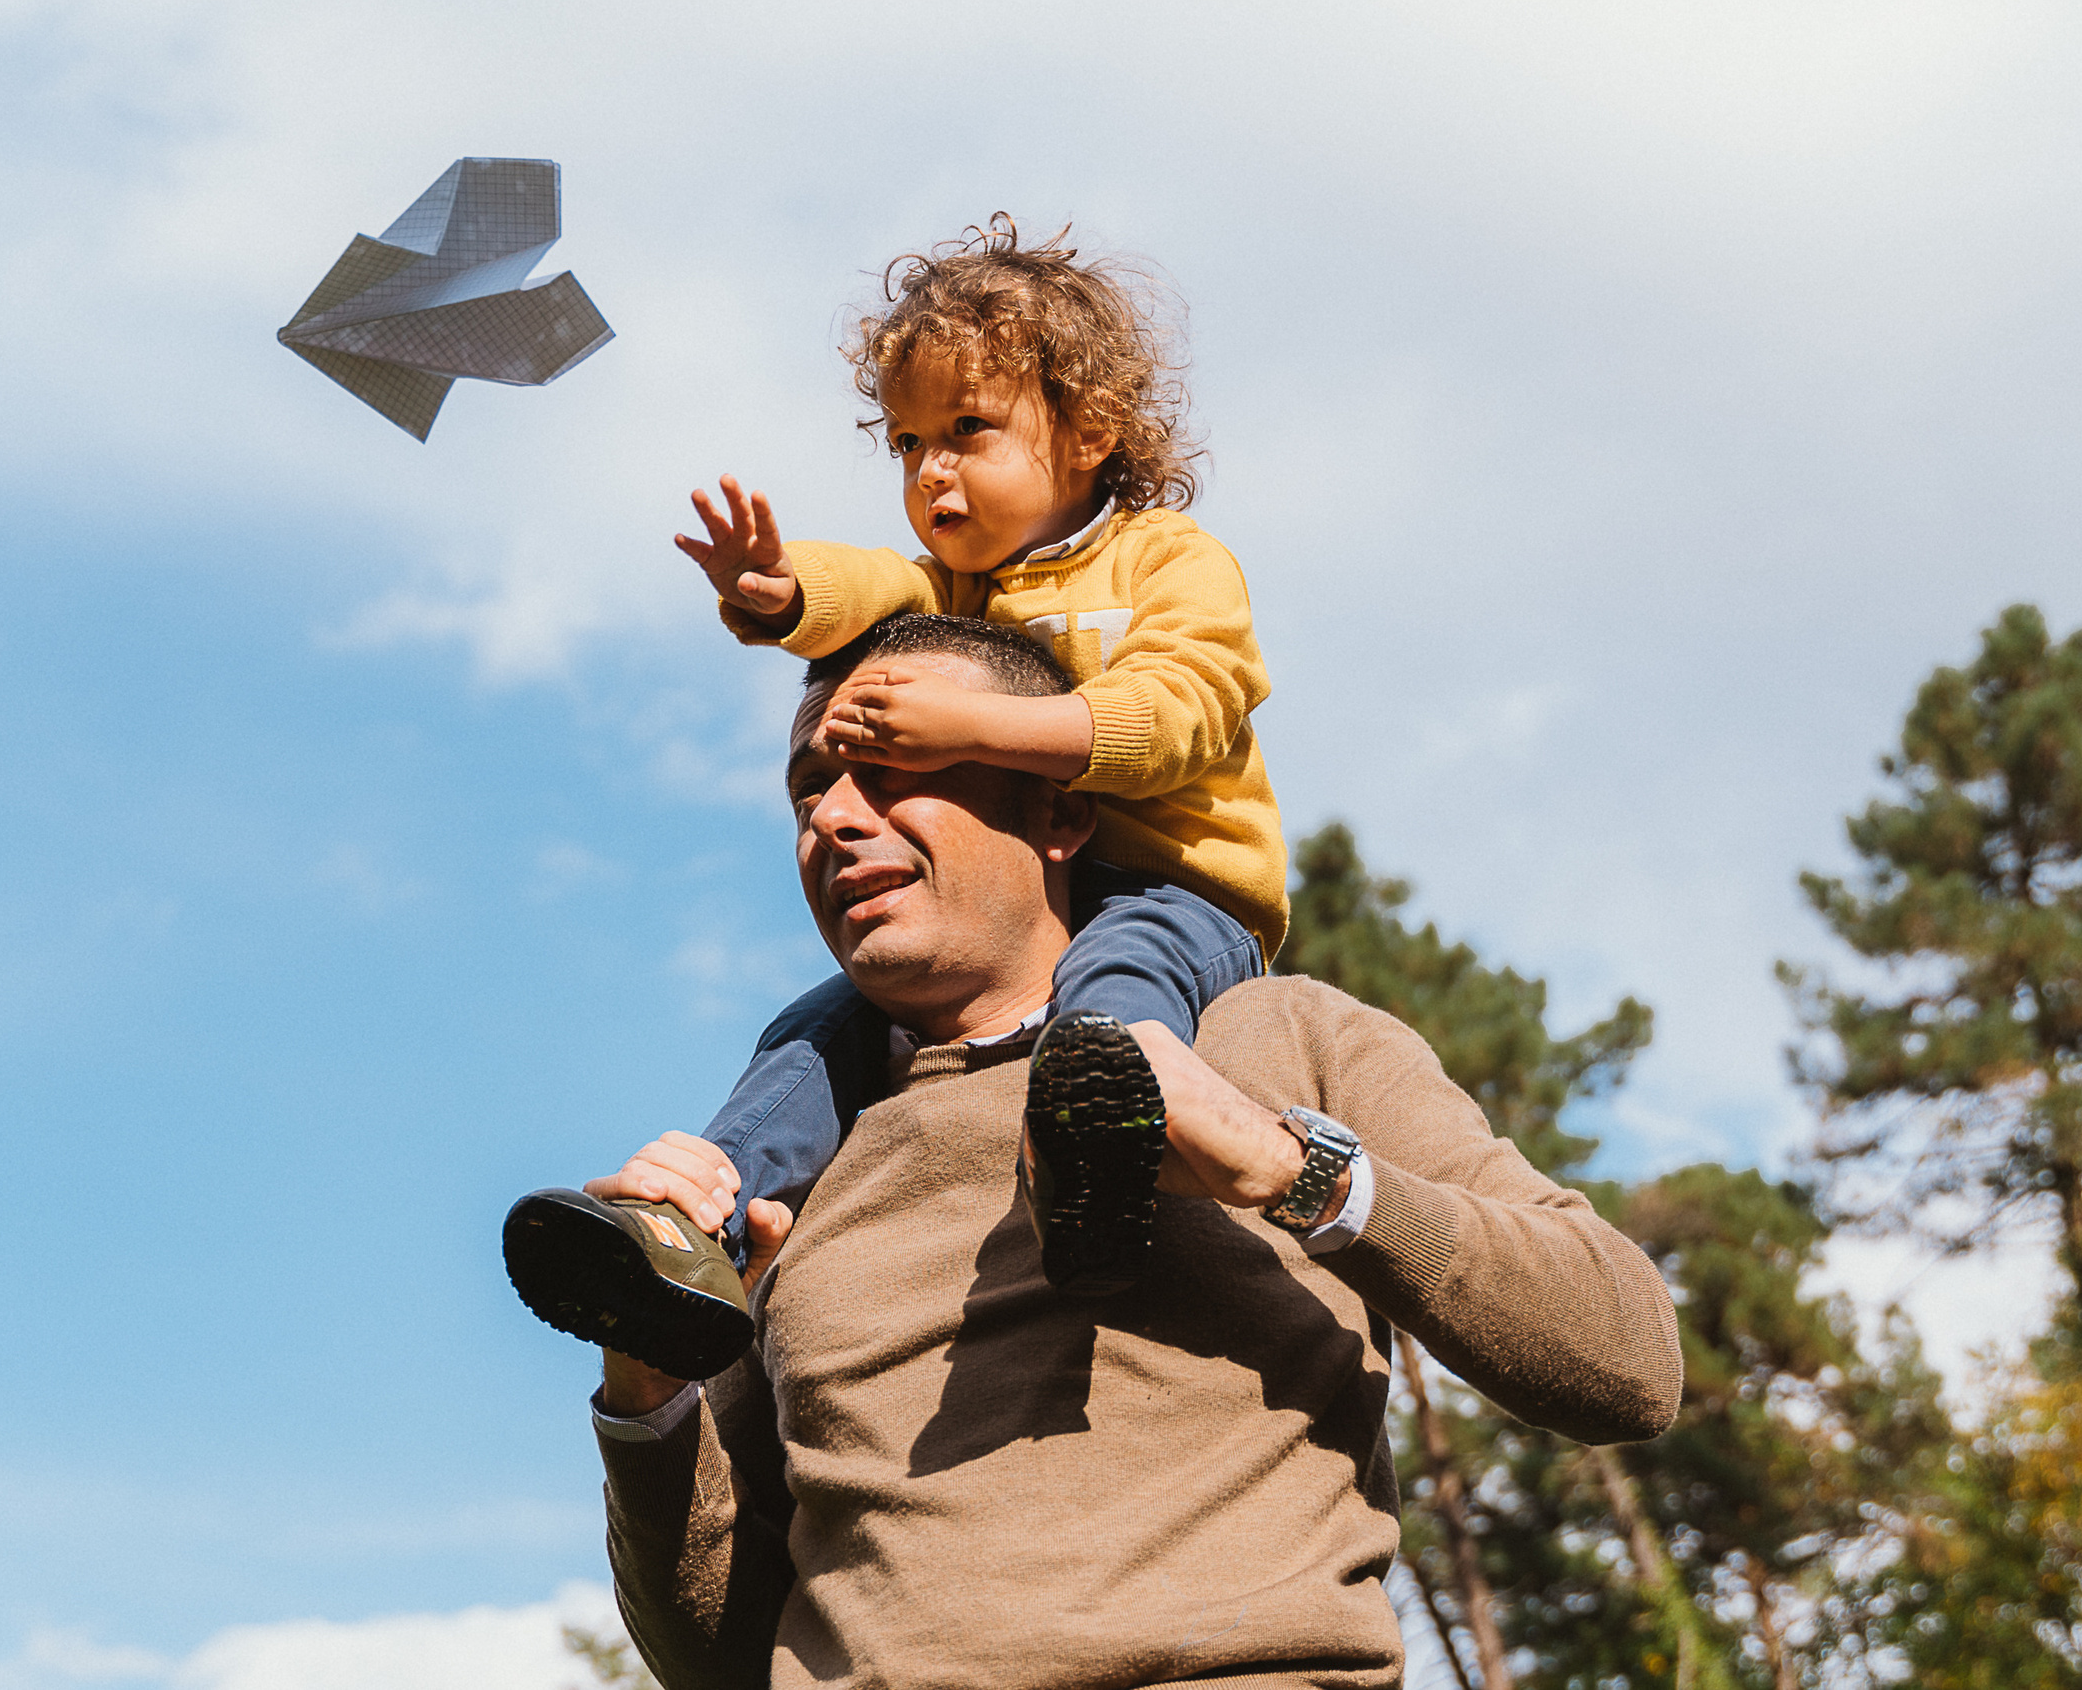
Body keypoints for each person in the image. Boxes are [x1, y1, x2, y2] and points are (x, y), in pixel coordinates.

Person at [584, 614, 1683, 1689]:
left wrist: (1284, 1167)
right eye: (808, 792)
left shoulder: (1280, 1037)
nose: (834, 819)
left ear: (1058, 814)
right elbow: (725, 1655)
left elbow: (1626, 1362)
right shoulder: (776, 1177)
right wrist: (646, 1394)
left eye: (891, 768)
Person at [505, 218, 1286, 1374]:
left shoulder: (1167, 561)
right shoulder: (957, 586)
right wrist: (775, 589)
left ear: (1090, 432)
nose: (931, 470)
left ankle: (1093, 1179)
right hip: (1035, 892)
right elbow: (865, 586)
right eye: (909, 442)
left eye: (968, 431)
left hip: (1177, 891)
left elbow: (1185, 710)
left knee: (1112, 1001)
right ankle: (693, 1224)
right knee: (816, 1035)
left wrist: (983, 727)